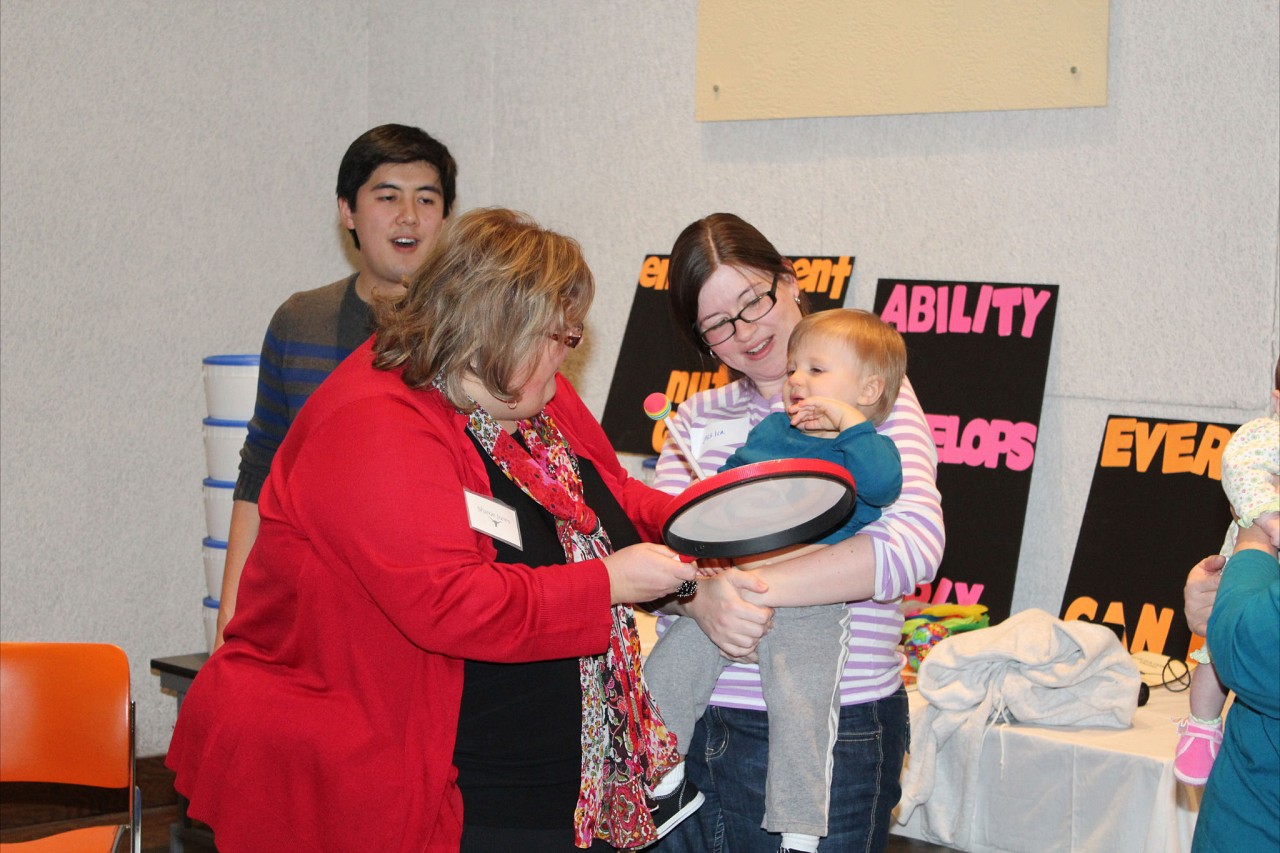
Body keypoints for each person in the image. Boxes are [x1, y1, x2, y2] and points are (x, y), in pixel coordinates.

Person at [168, 208, 697, 853]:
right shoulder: (373, 423)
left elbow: (609, 491)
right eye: (559, 336)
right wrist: (606, 583)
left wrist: (699, 524)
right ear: (494, 332)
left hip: (532, 778)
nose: (571, 349)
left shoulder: (522, 388)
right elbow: (450, 603)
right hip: (374, 758)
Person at [648, 213, 945, 853]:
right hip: (691, 728)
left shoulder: (867, 400)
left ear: (790, 282)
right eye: (718, 325)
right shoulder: (696, 418)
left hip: (833, 725)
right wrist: (700, 597)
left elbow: (913, 544)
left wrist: (754, 586)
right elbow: (663, 547)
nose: (746, 332)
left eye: (754, 301)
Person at [215, 123, 458, 648]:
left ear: (446, 217)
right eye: (387, 196)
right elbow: (260, 473)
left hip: (434, 616)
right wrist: (228, 629)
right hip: (311, 615)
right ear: (348, 211)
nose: (409, 216)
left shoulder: (472, 334)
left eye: (426, 199)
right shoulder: (301, 320)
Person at [1176, 357, 1280, 785]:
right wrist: (1270, 520)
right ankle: (1201, 725)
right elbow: (1238, 466)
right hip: (1251, 562)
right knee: (1217, 652)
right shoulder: (1267, 435)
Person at [1189, 518, 1279, 851]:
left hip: (1257, 818)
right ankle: (1200, 726)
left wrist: (1256, 531)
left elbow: (1245, 643)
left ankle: (1200, 726)